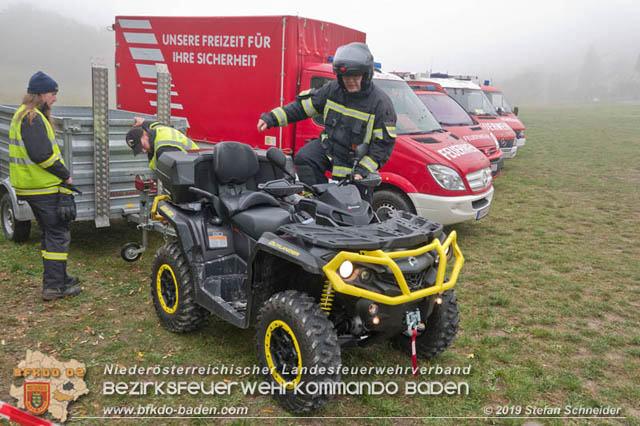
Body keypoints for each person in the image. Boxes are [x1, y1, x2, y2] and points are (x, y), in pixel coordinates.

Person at [257, 42, 397, 202]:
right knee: (305, 158)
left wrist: (362, 171)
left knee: (356, 211)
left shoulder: (380, 104)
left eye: (355, 76)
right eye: (346, 76)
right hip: (330, 151)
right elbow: (302, 108)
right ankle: (317, 202)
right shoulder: (333, 90)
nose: (350, 81)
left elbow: (383, 146)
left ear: (366, 75)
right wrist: (271, 118)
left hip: (356, 165)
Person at [9, 71, 81, 301]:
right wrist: (65, 175)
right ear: (39, 94)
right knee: (58, 234)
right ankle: (54, 287)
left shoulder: (24, 114)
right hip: (42, 187)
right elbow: (42, 155)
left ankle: (58, 278)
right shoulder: (33, 118)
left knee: (51, 234)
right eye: (52, 93)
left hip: (31, 186)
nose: (55, 99)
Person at [125, 117, 198, 170]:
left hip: (197, 170)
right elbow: (153, 124)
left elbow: (179, 174)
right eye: (140, 149)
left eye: (142, 146)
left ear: (145, 134)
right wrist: (143, 122)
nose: (143, 151)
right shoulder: (159, 129)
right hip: (198, 161)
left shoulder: (164, 150)